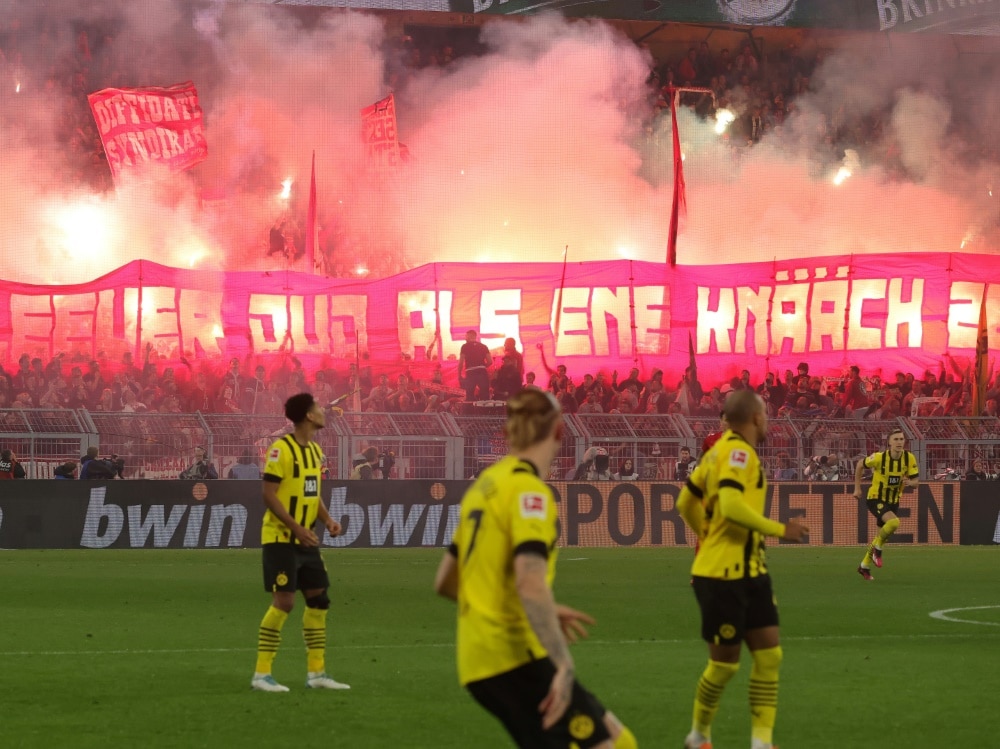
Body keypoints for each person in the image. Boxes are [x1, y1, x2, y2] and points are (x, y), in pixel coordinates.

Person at [433, 388, 637, 749]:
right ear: (559, 431)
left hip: (477, 660)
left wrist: (538, 608)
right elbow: (530, 582)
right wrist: (564, 665)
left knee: (619, 742)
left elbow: (446, 581)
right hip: (514, 657)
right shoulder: (531, 493)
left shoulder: (485, 486)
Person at [676, 391, 809, 749]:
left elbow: (685, 501)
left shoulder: (716, 453)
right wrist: (782, 530)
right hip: (722, 576)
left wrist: (704, 532)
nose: (766, 421)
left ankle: (761, 743)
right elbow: (732, 505)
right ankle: (698, 736)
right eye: (764, 414)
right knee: (724, 666)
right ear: (754, 417)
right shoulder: (738, 454)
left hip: (751, 570)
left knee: (770, 655)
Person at [251, 392, 350, 692]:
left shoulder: (315, 453)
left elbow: (311, 493)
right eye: (318, 408)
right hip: (280, 538)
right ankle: (261, 675)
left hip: (306, 539)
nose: (322, 411)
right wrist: (295, 527)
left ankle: (317, 673)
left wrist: (328, 519)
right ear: (309, 416)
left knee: (319, 600)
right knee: (285, 601)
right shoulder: (281, 450)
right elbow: (269, 494)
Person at [853, 428, 919, 581]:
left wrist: (910, 482)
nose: (899, 442)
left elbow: (916, 482)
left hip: (893, 502)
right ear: (889, 442)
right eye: (895, 439)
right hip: (875, 498)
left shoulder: (909, 458)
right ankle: (878, 551)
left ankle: (864, 566)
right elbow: (859, 465)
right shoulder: (879, 458)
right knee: (894, 522)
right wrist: (857, 488)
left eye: (901, 439)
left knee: (881, 537)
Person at [458, 329, 492, 402]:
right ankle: (486, 411)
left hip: (470, 372)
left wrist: (459, 374)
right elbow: (490, 361)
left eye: (466, 336)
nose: (465, 338)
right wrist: (482, 367)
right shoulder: (483, 346)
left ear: (470, 336)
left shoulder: (464, 346)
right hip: (482, 372)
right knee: (485, 395)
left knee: (469, 395)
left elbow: (461, 362)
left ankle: (470, 412)